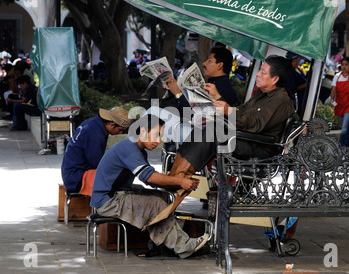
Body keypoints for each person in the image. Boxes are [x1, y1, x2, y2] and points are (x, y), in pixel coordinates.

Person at [90, 114, 209, 258]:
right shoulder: (128, 148)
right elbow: (149, 176)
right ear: (143, 132)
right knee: (155, 203)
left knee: (161, 197)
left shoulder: (137, 149)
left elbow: (150, 182)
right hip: (107, 202)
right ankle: (184, 247)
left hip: (116, 196)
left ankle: (161, 245)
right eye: (156, 135)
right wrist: (180, 182)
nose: (158, 141)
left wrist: (180, 183)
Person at [169, 55, 295, 177]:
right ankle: (174, 176)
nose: (257, 74)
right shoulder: (262, 94)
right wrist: (218, 97)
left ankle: (180, 177)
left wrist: (228, 111)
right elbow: (240, 113)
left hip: (258, 147)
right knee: (202, 128)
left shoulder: (281, 100)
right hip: (244, 139)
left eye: (262, 72)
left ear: (275, 79)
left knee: (212, 132)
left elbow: (256, 125)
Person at [61, 107, 131, 193]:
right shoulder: (95, 133)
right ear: (112, 124)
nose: (120, 133)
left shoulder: (92, 123)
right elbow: (96, 164)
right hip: (77, 178)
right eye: (120, 130)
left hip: (71, 175)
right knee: (124, 172)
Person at [330, 57, 349, 148]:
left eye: (346, 65)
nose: (344, 67)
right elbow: (333, 89)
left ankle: (342, 147)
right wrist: (332, 99)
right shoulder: (337, 76)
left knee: (344, 128)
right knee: (345, 127)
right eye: (342, 64)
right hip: (339, 104)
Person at [286, 52, 307, 116]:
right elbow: (292, 88)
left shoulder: (297, 69)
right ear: (295, 60)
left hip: (301, 99)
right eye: (299, 60)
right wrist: (306, 85)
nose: (299, 61)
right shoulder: (289, 72)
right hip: (296, 101)